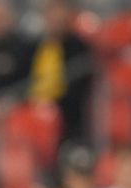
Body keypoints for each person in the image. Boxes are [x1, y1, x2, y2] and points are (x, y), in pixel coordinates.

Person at [29, 0, 94, 144]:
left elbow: (79, 90)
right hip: (34, 115)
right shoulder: (35, 47)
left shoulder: (78, 47)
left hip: (67, 119)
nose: (55, 17)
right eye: (50, 11)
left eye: (59, 10)